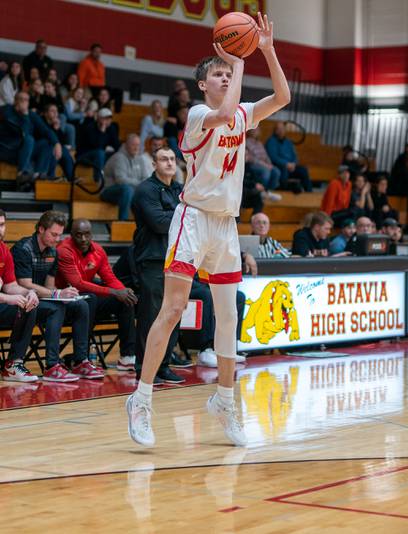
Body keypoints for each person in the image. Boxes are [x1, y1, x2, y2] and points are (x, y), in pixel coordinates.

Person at [126, 12, 290, 448]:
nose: (223, 78)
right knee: (173, 308)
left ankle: (225, 399)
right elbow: (224, 108)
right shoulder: (202, 113)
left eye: (226, 73)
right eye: (216, 74)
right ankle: (141, 400)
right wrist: (239, 60)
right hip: (193, 219)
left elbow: (283, 96)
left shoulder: (242, 115)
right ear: (203, 84)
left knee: (229, 315)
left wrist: (268, 50)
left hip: (225, 226)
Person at [12, 211, 102, 381]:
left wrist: (65, 295)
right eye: (53, 234)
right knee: (56, 308)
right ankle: (52, 366)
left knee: (81, 304)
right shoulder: (23, 249)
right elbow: (24, 284)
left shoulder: (53, 252)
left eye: (60, 235)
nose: (57, 239)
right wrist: (56, 294)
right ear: (41, 229)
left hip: (41, 300)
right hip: (23, 302)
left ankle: (80, 360)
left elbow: (49, 287)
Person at [129, 148, 185, 381]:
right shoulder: (145, 190)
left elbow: (190, 218)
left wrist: (180, 213)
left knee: (174, 313)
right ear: (154, 163)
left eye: (172, 159)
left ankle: (164, 365)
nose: (170, 163)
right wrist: (183, 213)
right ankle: (143, 368)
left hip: (178, 261)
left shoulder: (180, 190)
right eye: (164, 159)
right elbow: (160, 223)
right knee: (151, 316)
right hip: (152, 260)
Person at [56, 218, 138, 371]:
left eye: (87, 234)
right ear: (71, 235)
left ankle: (127, 357)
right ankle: (82, 359)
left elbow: (110, 278)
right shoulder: (64, 250)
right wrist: (114, 292)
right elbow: (78, 283)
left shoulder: (98, 251)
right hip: (64, 300)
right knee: (91, 299)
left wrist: (123, 291)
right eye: (78, 235)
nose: (83, 239)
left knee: (124, 301)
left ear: (92, 234)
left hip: (87, 299)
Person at [0, 209, 40, 383]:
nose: (0, 230)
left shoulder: (4, 251)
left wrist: (29, 292)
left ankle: (13, 364)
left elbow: (10, 286)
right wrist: (8, 298)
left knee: (28, 306)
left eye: (1, 225)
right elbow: (7, 294)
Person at [0, 92, 59, 187]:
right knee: (29, 139)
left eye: (26, 100)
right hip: (7, 149)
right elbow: (23, 133)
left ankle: (39, 176)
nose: (24, 102)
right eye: (21, 99)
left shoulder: (31, 114)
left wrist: (57, 143)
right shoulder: (7, 111)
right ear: (15, 101)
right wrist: (25, 115)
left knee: (47, 142)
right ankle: (22, 174)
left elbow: (45, 130)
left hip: (23, 149)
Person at [102, 134, 153, 220]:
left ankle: (145, 226)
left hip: (131, 192)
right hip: (109, 191)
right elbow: (121, 180)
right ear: (126, 145)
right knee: (128, 189)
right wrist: (140, 184)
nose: (136, 148)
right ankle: (123, 222)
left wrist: (143, 186)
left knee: (148, 191)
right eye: (133, 145)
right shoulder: (119, 157)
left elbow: (146, 178)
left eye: (138, 145)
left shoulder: (140, 159)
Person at [266, 121, 311, 192]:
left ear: (285, 130)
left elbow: (295, 156)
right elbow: (273, 157)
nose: (281, 131)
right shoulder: (271, 141)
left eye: (282, 129)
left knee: (303, 170)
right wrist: (286, 164)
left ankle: (309, 193)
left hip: (291, 167)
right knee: (284, 169)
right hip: (280, 166)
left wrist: (293, 164)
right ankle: (284, 192)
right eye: (278, 129)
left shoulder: (288, 142)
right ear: (275, 131)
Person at [244, 128, 281, 201]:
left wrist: (270, 164)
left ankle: (269, 191)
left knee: (276, 171)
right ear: (250, 131)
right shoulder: (246, 142)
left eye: (257, 130)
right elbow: (251, 158)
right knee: (265, 171)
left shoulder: (259, 143)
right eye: (254, 130)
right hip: (254, 164)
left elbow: (266, 155)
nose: (256, 131)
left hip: (264, 164)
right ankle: (261, 192)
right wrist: (265, 165)